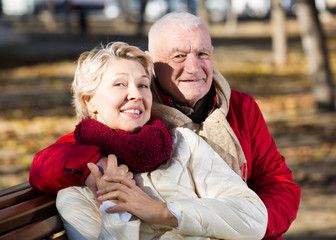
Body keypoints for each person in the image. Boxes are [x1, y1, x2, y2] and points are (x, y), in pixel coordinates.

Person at [30, 12, 300, 239]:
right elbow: (48, 162)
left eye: (202, 54)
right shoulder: (132, 119)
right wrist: (96, 167)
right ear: (152, 62)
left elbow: (277, 183)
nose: (194, 68)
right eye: (179, 56)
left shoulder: (238, 108)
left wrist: (243, 229)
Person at [52, 41, 267, 239]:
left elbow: (255, 218)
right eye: (120, 84)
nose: (136, 94)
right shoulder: (77, 195)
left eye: (143, 85)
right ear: (89, 101)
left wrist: (164, 212)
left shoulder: (184, 144)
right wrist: (118, 211)